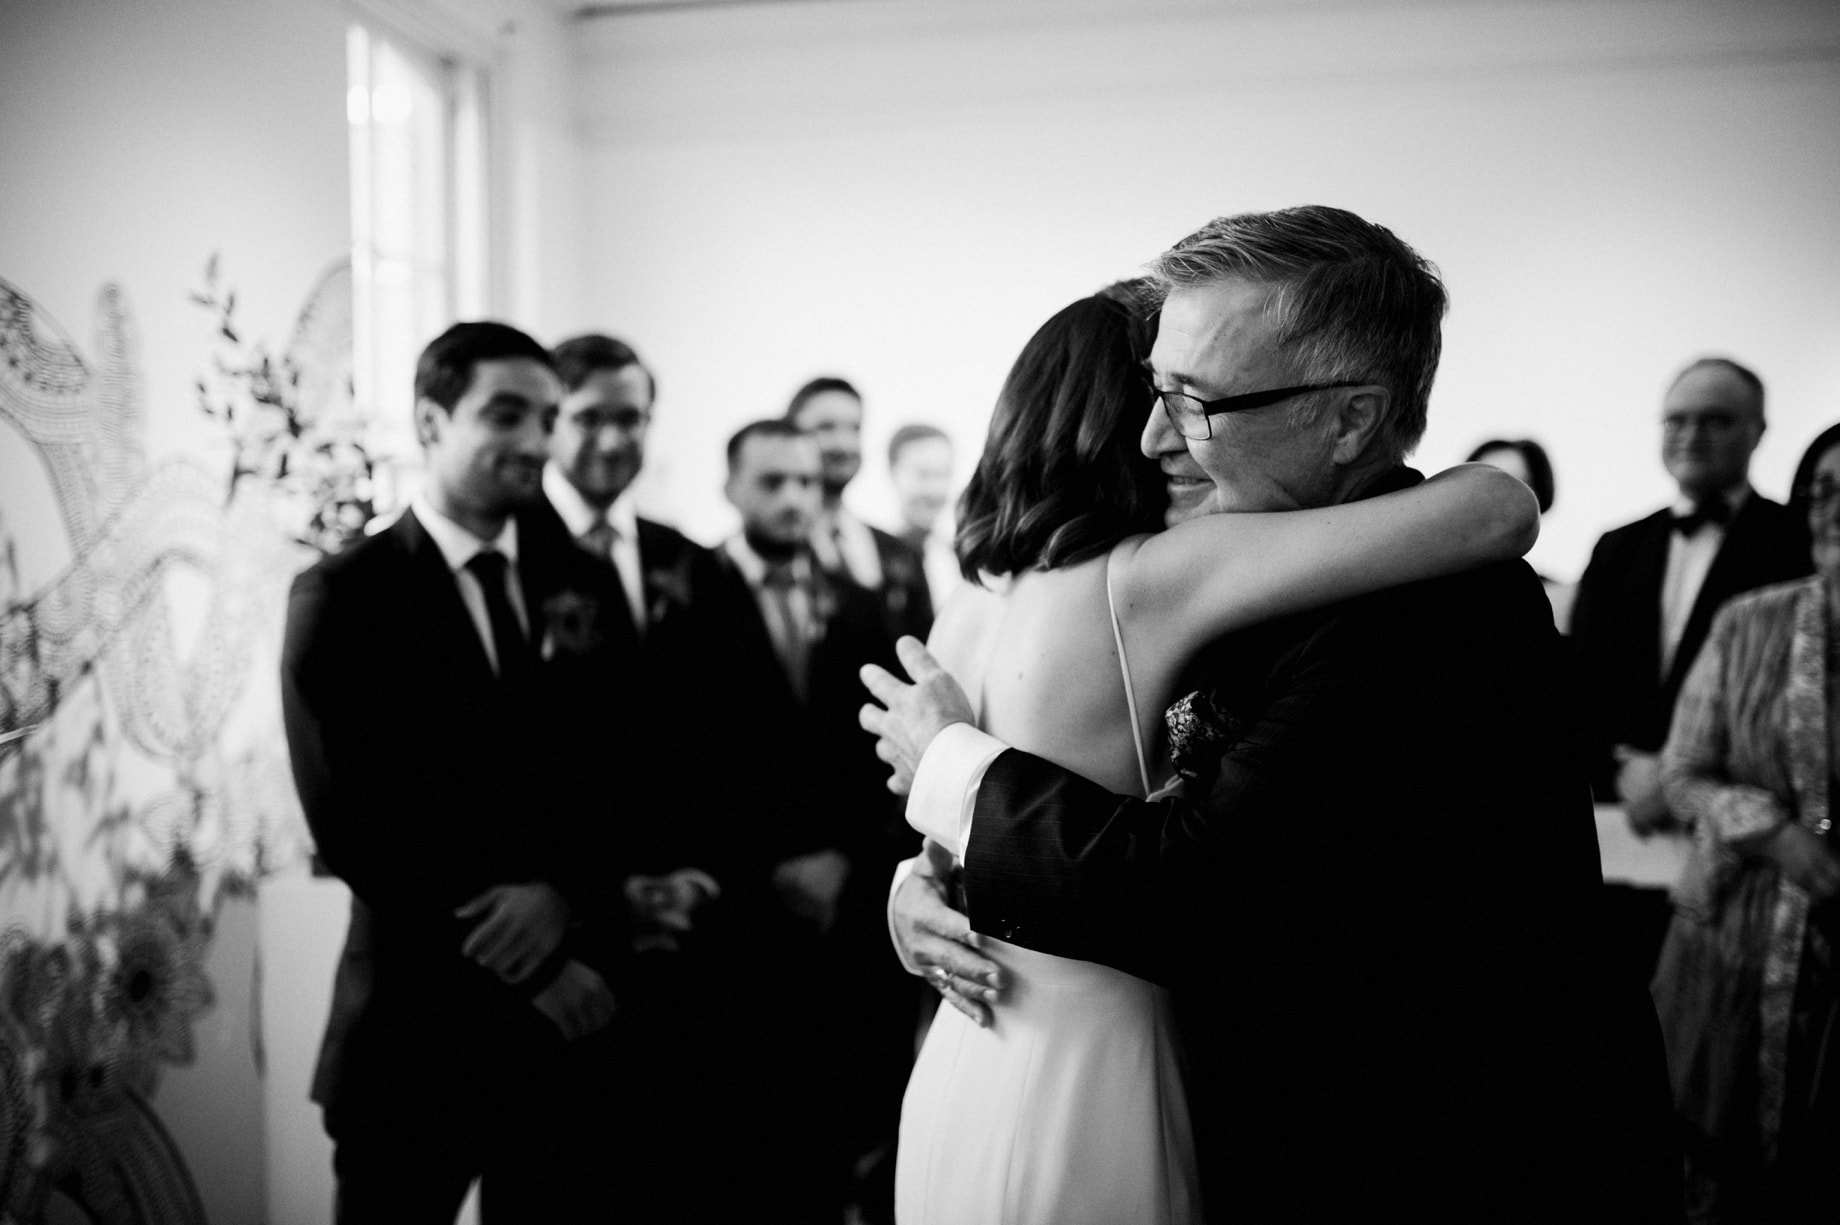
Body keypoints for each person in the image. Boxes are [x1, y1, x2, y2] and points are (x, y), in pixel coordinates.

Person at [866, 206, 1681, 1223]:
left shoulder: (1431, 613)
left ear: (1349, 418)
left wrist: (956, 777)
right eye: (1156, 389)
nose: (1155, 436)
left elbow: (1196, 890)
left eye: (1196, 401)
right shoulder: (1240, 571)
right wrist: (930, 879)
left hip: (1430, 1162)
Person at [280, 322, 631, 1221]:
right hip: (414, 1028)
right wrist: (536, 966)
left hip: (565, 1036)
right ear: (431, 420)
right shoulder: (344, 595)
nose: (535, 441)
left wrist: (563, 891)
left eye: (547, 417)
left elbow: (620, 768)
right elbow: (358, 824)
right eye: (505, 413)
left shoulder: (579, 581)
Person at [531, 331, 737, 1221]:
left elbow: (730, 734)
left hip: (684, 920)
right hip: (564, 933)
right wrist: (609, 892)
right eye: (590, 418)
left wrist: (698, 872)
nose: (616, 439)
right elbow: (519, 764)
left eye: (634, 418)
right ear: (551, 422)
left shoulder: (683, 557)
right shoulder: (514, 555)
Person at [711, 419, 910, 1222]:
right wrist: (763, 867)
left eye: (805, 481)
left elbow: (880, 760)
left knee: (838, 1122)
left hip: (842, 895)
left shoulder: (862, 604)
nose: (795, 497)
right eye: (772, 482)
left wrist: (843, 860)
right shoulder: (684, 592)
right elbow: (674, 761)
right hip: (734, 905)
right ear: (730, 488)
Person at [1570, 358, 1811, 994]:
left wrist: (1681, 777)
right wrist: (1620, 769)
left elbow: (1798, 692)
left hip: (1741, 855)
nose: (1691, 435)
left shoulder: (1799, 544)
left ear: (1758, 430)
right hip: (1620, 834)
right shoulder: (1616, 547)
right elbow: (1574, 688)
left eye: (1716, 419)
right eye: (1676, 419)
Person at [1651, 422, 1840, 1223]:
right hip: (1730, 947)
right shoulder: (1749, 621)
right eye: (1825, 488)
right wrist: (1782, 835)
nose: (1834, 507)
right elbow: (1683, 773)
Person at [788, 376, 934, 642]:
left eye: (854, 428)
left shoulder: (899, 552)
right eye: (825, 428)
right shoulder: (770, 556)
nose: (843, 445)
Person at [1466, 436, 1572, 627]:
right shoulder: (1428, 584)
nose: (1495, 500)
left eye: (1514, 487)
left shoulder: (1559, 599)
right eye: (1481, 486)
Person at [887, 423, 959, 605]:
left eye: (943, 474)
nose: (935, 489)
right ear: (894, 474)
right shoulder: (876, 558)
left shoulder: (959, 555)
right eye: (923, 475)